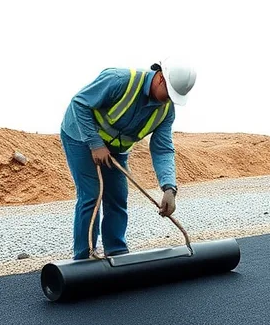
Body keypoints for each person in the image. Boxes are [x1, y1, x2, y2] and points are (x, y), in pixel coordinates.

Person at [60, 58, 196, 259]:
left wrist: (169, 188)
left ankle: (117, 253)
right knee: (91, 195)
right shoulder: (119, 80)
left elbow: (163, 149)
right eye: (169, 93)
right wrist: (95, 143)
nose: (169, 100)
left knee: (117, 196)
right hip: (80, 136)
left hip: (116, 150)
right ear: (160, 78)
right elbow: (79, 104)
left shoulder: (166, 112)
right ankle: (83, 257)